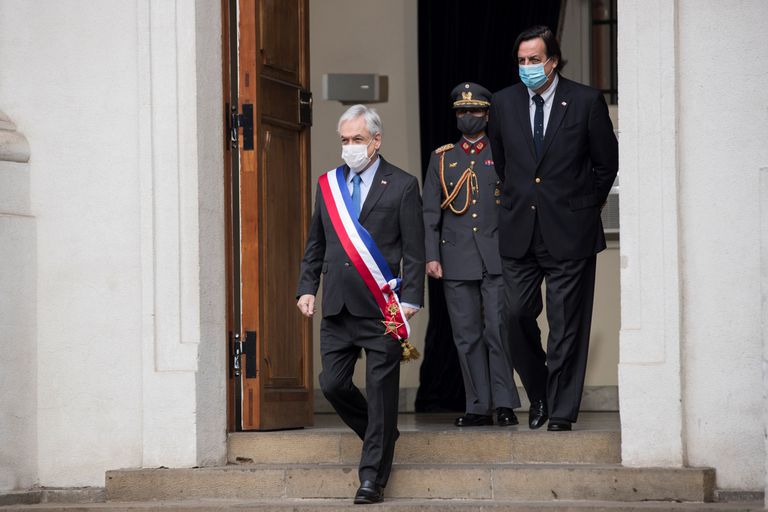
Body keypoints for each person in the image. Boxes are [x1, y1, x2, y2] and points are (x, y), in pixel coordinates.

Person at [487, 26, 618, 432]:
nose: (527, 67)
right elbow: (505, 164)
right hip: (519, 229)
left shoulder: (585, 101)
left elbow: (605, 164)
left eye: (534, 60)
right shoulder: (503, 103)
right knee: (513, 315)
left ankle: (561, 410)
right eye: (521, 61)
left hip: (570, 230)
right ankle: (540, 391)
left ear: (553, 60)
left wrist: (580, 206)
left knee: (566, 326)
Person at [296, 104, 425, 504]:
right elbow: (316, 243)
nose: (350, 147)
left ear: (376, 140)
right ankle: (381, 432)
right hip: (336, 305)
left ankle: (372, 479)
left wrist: (411, 300)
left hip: (383, 307)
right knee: (332, 384)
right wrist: (307, 287)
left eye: (357, 140)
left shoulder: (402, 185)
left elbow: (415, 251)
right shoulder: (329, 185)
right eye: (345, 140)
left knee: (381, 391)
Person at [422, 82, 521, 428]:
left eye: (474, 111)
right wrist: (431, 256)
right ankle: (478, 405)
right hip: (455, 258)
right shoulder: (443, 157)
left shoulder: (502, 150)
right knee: (466, 335)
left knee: (497, 330)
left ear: (487, 114)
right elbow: (430, 213)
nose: (468, 117)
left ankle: (505, 402)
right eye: (462, 112)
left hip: (496, 256)